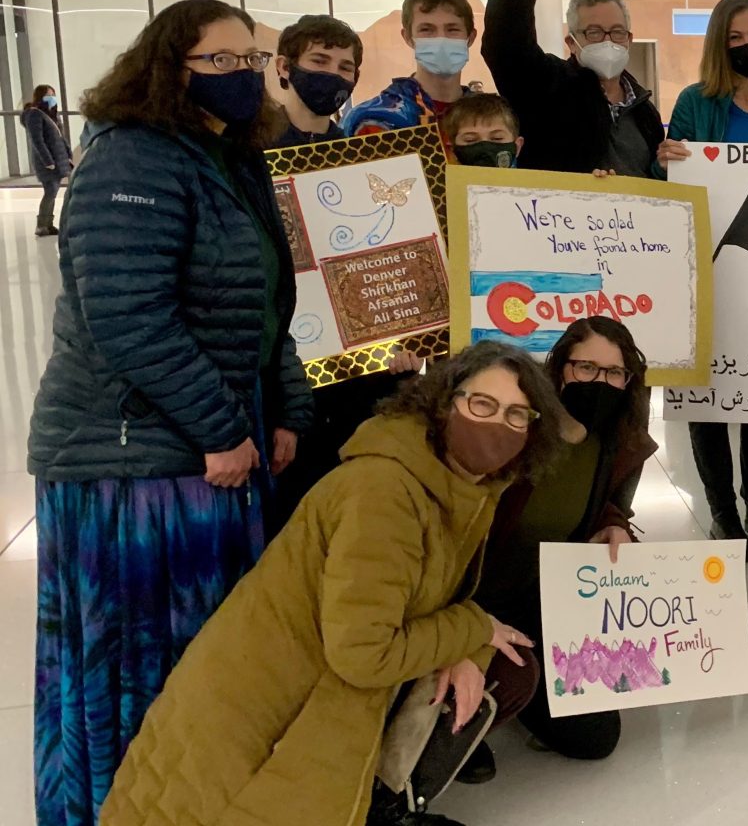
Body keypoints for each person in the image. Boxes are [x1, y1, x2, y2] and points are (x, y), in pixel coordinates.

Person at [27, 0, 313, 826]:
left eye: (250, 61)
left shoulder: (230, 158)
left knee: (203, 663)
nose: (242, 76)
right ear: (166, 66)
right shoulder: (131, 159)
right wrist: (221, 429)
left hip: (210, 451)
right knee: (134, 664)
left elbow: (261, 307)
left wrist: (283, 407)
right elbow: (127, 317)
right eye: (220, 62)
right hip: (131, 463)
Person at [100, 342, 560, 826]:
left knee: (505, 664)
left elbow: (404, 601)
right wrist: (472, 627)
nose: (496, 424)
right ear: (444, 403)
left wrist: (461, 645)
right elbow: (363, 653)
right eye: (481, 404)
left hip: (304, 688)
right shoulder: (386, 492)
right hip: (265, 722)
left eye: (517, 415)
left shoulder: (458, 486)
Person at [268, 94, 524, 540]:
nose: (483, 145)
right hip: (448, 384)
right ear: (449, 144)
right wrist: (398, 348)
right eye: (471, 138)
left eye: (495, 138)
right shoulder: (421, 199)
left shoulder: (539, 193)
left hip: (520, 370)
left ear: (516, 145)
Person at [460, 318, 654, 785]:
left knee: (595, 738)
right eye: (586, 367)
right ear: (560, 367)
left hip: (544, 603)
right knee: (477, 708)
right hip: (470, 603)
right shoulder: (517, 426)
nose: (599, 382)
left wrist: (612, 525)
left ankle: (516, 690)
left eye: (613, 373)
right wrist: (460, 632)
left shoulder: (619, 441)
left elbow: (607, 505)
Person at [656, 0, 748, 560]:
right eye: (734, 38)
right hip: (709, 265)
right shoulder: (695, 102)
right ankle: (722, 512)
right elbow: (673, 180)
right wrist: (666, 159)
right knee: (707, 394)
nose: (746, 47)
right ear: (720, 43)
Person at [485, 0, 664, 176]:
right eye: (593, 32)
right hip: (560, 219)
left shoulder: (645, 112)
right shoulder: (547, 88)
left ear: (629, 39)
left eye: (616, 32)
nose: (607, 41)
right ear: (571, 42)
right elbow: (506, 43)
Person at [342, 0, 478, 136]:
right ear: (408, 38)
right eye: (427, 30)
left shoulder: (492, 119)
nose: (440, 39)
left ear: (471, 37)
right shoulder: (372, 119)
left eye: (452, 29)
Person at [268, 13, 361, 148]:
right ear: (285, 67)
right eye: (319, 61)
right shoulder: (249, 147)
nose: (333, 73)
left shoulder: (355, 154)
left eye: (345, 68)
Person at [23, 83, 71, 236]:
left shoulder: (50, 115)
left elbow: (60, 138)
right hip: (48, 162)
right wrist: (48, 161)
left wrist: (68, 154)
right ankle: (41, 225)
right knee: (50, 191)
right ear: (40, 96)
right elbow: (37, 140)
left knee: (53, 191)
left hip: (57, 159)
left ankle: (48, 224)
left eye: (53, 94)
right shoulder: (34, 114)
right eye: (49, 95)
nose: (52, 98)